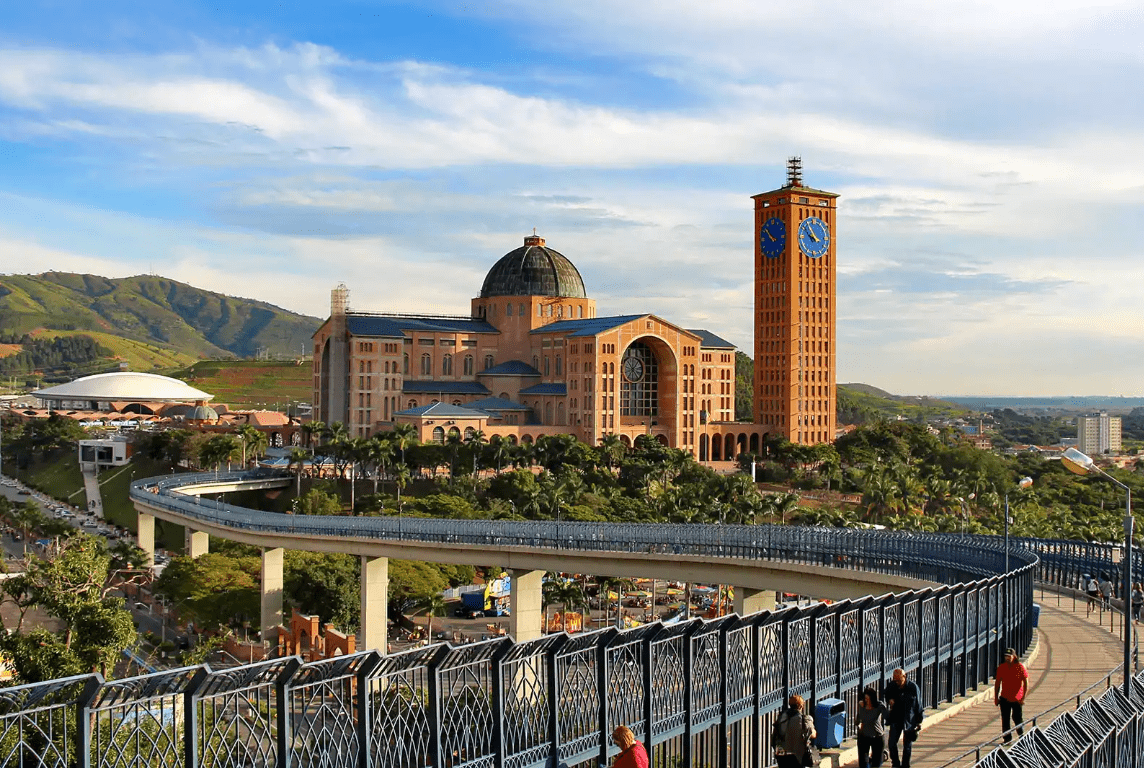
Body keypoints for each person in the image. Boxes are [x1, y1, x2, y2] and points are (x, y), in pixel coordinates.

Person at [883, 668, 922, 768]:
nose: (897, 683)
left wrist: (919, 721)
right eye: (895, 680)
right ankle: (895, 763)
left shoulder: (913, 688)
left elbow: (918, 705)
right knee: (892, 743)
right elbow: (886, 693)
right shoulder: (892, 685)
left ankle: (905, 765)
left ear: (904, 677)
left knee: (907, 745)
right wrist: (889, 700)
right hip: (896, 717)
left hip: (909, 720)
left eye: (899, 680)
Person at [994, 647, 1029, 744]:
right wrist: (996, 698)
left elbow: (1025, 682)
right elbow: (997, 684)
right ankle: (1007, 739)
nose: (1007, 658)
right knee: (1005, 719)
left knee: (1017, 718)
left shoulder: (1020, 667)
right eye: (1006, 656)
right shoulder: (1002, 667)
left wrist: (1023, 697)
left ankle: (1022, 737)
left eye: (1009, 656)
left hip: (1017, 698)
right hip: (1005, 697)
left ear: (1014, 656)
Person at [771, 694, 816, 768]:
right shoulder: (804, 719)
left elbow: (775, 735)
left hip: (781, 753)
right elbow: (813, 734)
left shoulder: (781, 717)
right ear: (801, 706)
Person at [856, 687, 889, 768]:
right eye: (865, 699)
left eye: (868, 699)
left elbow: (888, 717)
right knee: (863, 763)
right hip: (864, 736)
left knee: (876, 764)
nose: (867, 701)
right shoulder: (862, 706)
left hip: (877, 736)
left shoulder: (879, 706)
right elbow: (857, 720)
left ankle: (882, 755)